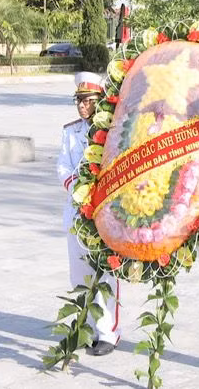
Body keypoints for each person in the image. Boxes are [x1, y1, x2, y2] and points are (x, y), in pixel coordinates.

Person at [57, 72, 120, 357]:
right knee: (79, 274)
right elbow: (63, 166)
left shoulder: (111, 131)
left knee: (104, 273)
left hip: (101, 213)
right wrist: (76, 187)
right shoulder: (70, 131)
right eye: (79, 101)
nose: (82, 106)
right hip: (75, 210)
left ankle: (108, 331)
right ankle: (85, 326)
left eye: (88, 101)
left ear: (99, 101)